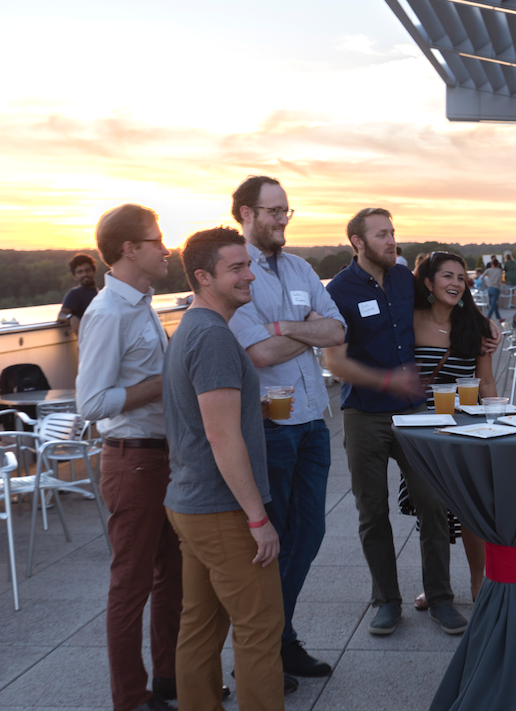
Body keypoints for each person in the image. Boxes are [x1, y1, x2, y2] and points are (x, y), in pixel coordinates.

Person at [324, 208, 472, 637]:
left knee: (434, 505)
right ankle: (386, 601)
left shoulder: (407, 282)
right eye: (382, 234)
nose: (392, 241)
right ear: (357, 241)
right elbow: (335, 364)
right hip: (363, 415)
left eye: (393, 232)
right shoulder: (338, 291)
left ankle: (440, 598)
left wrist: (485, 327)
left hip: (413, 416)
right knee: (372, 512)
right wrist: (388, 380)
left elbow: (449, 304)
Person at [226, 176, 346, 680]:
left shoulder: (300, 267)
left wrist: (281, 326)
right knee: (274, 540)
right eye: (273, 211)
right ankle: (265, 647)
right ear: (245, 214)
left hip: (315, 421)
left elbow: (338, 330)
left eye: (286, 211)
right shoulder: (234, 274)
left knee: (310, 533)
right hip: (271, 426)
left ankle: (281, 635)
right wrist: (303, 328)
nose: (282, 220)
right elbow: (259, 353)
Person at [163, 227, 284, 711]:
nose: (249, 275)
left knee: (200, 625)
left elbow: (208, 419)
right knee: (259, 628)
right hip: (222, 510)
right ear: (202, 277)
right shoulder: (213, 336)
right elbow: (220, 436)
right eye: (236, 268)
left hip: (189, 504)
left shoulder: (191, 327)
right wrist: (258, 518)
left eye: (248, 265)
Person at [76, 204, 184, 711]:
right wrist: (162, 385)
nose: (166, 248)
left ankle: (170, 681)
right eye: (157, 240)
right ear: (128, 249)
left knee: (173, 577)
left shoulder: (142, 302)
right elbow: (91, 405)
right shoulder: (106, 312)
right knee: (132, 584)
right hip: (133, 462)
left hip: (164, 458)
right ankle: (131, 699)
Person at [406, 252, 494, 608]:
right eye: (447, 276)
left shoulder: (477, 326)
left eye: (461, 277)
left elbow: (485, 381)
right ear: (428, 283)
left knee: (470, 510)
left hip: (467, 427)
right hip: (423, 431)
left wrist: (494, 422)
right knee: (432, 512)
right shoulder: (408, 322)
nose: (456, 283)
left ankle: (479, 583)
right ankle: (437, 585)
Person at [57, 253, 99, 335]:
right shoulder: (75, 294)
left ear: (94, 271)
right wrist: (71, 318)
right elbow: (61, 315)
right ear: (75, 276)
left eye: (87, 270)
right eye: (80, 272)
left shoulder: (99, 292)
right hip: (88, 344)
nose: (85, 274)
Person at [483, 258, 503, 322]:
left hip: (489, 288)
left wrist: (485, 284)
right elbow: (500, 282)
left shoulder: (488, 270)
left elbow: (482, 277)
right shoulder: (499, 271)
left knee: (494, 304)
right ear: (498, 264)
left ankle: (499, 318)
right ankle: (487, 319)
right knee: (492, 305)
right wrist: (503, 283)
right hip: (496, 289)